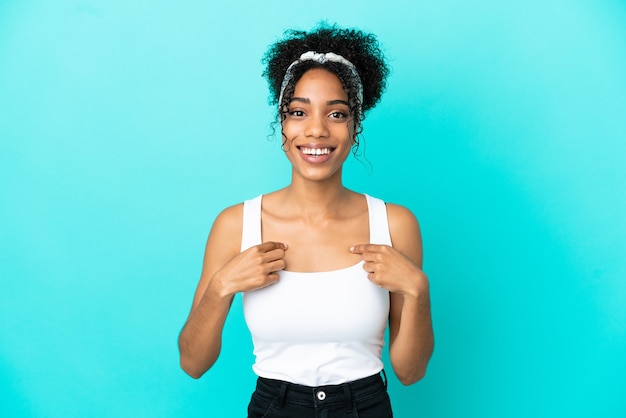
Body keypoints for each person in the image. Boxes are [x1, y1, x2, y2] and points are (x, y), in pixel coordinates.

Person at [178, 23, 434, 417]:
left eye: (336, 113)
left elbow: (411, 372)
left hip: (365, 405)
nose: (316, 129)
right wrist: (222, 286)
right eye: (298, 112)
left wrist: (417, 290)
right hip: (274, 407)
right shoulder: (236, 224)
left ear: (354, 127)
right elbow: (193, 363)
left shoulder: (394, 224)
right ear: (282, 124)